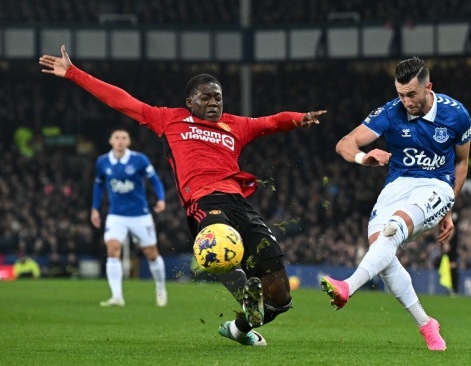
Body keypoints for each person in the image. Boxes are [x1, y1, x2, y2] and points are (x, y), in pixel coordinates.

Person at [39, 45, 326, 346]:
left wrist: (299, 117)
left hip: (239, 203)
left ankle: (240, 327)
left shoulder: (235, 125)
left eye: (218, 97)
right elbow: (122, 101)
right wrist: (73, 73)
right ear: (190, 102)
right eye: (206, 97)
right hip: (204, 203)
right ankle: (243, 290)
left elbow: (270, 122)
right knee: (218, 241)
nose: (214, 102)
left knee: (279, 295)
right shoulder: (170, 119)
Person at [321, 56, 471, 351]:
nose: (405, 101)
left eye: (411, 94)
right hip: (397, 186)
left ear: (429, 87)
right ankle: (427, 324)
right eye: (400, 94)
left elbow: (463, 161)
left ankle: (347, 286)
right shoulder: (390, 112)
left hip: (437, 185)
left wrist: (448, 207)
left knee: (393, 229)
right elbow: (345, 143)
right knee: (382, 250)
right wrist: (365, 157)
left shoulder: (457, 115)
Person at [91, 128, 168, 307]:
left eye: (124, 137)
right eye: (116, 137)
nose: (120, 140)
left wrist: (161, 199)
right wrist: (94, 209)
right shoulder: (102, 162)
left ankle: (161, 287)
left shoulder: (139, 159)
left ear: (128, 142)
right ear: (111, 141)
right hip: (116, 215)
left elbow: (155, 180)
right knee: (112, 250)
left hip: (140, 215)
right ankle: (117, 296)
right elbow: (98, 186)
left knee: (151, 253)